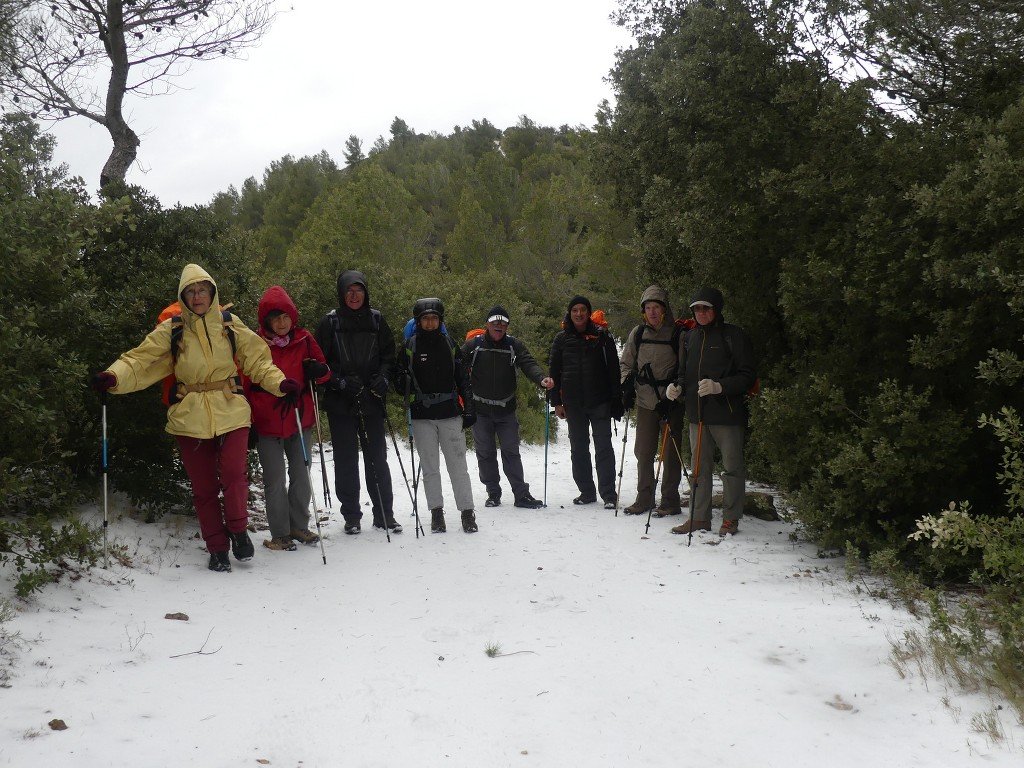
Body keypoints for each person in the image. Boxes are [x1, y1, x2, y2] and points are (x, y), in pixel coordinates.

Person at [92, 263, 301, 573]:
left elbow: (257, 361)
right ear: (183, 296)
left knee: (233, 475)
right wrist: (113, 376)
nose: (197, 295)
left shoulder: (229, 324)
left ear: (212, 292)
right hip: (188, 415)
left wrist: (280, 383)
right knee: (203, 488)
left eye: (202, 290)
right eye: (191, 291)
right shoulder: (172, 329)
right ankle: (217, 548)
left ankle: (238, 530)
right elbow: (139, 361)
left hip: (231, 409)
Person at [314, 270, 400, 535]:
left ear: (366, 293)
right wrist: (338, 381)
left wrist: (384, 378)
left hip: (372, 397)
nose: (354, 296)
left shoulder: (377, 320)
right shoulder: (329, 323)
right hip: (341, 400)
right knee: (346, 459)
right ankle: (351, 515)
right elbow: (319, 364)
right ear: (342, 293)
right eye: (349, 291)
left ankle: (384, 514)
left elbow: (389, 356)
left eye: (359, 291)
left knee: (377, 458)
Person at [665, 287, 757, 536]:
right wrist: (677, 387)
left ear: (716, 310)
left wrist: (720, 387)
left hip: (728, 415)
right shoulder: (689, 338)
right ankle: (699, 517)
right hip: (697, 415)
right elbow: (684, 374)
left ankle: (730, 519)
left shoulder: (733, 336)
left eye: (706, 308)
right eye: (697, 308)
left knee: (732, 468)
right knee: (699, 469)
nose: (701, 312)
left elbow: (748, 376)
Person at [247, 285, 332, 551]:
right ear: (267, 321)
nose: (282, 323)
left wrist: (317, 371)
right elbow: (245, 382)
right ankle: (280, 533)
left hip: (300, 418)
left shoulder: (305, 339)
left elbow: (325, 373)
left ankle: (299, 526)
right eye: (276, 318)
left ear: (292, 317)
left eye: (285, 317)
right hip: (267, 421)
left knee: (301, 474)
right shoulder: (254, 343)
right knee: (274, 479)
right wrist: (248, 422)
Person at [394, 298, 478, 533]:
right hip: (422, 416)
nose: (430, 323)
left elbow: (463, 379)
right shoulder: (410, 346)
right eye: (425, 319)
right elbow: (399, 381)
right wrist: (402, 381)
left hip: (450, 413)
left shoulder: (450, 344)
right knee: (430, 467)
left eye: (434, 318)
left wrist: (470, 407)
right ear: (418, 321)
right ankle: (436, 513)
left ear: (440, 321)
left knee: (458, 466)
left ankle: (467, 513)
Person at [461, 305, 554, 509]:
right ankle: (493, 493)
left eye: (503, 323)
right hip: (481, 411)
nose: (499, 326)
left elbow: (528, 363)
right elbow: (456, 366)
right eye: (495, 322)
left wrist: (541, 379)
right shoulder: (473, 345)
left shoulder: (514, 345)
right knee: (485, 453)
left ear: (507, 326)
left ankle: (521, 495)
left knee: (511, 452)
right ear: (487, 324)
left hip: (506, 411)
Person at [548, 295, 623, 508]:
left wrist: (616, 399)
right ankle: (586, 492)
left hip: (600, 401)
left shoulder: (602, 337)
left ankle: (609, 494)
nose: (579, 314)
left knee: (603, 447)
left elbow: (613, 370)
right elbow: (554, 373)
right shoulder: (561, 340)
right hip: (574, 404)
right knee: (578, 449)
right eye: (575, 310)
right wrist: (557, 403)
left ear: (588, 313)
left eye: (582, 310)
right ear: (569, 314)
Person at [619, 286, 685, 517]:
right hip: (646, 402)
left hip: (671, 402)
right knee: (644, 452)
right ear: (643, 311)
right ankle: (644, 499)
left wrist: (677, 389)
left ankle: (669, 501)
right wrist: (626, 384)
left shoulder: (677, 334)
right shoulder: (637, 333)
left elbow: (683, 368)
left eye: (656, 307)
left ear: (664, 309)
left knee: (670, 453)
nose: (653, 312)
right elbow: (626, 363)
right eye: (648, 308)